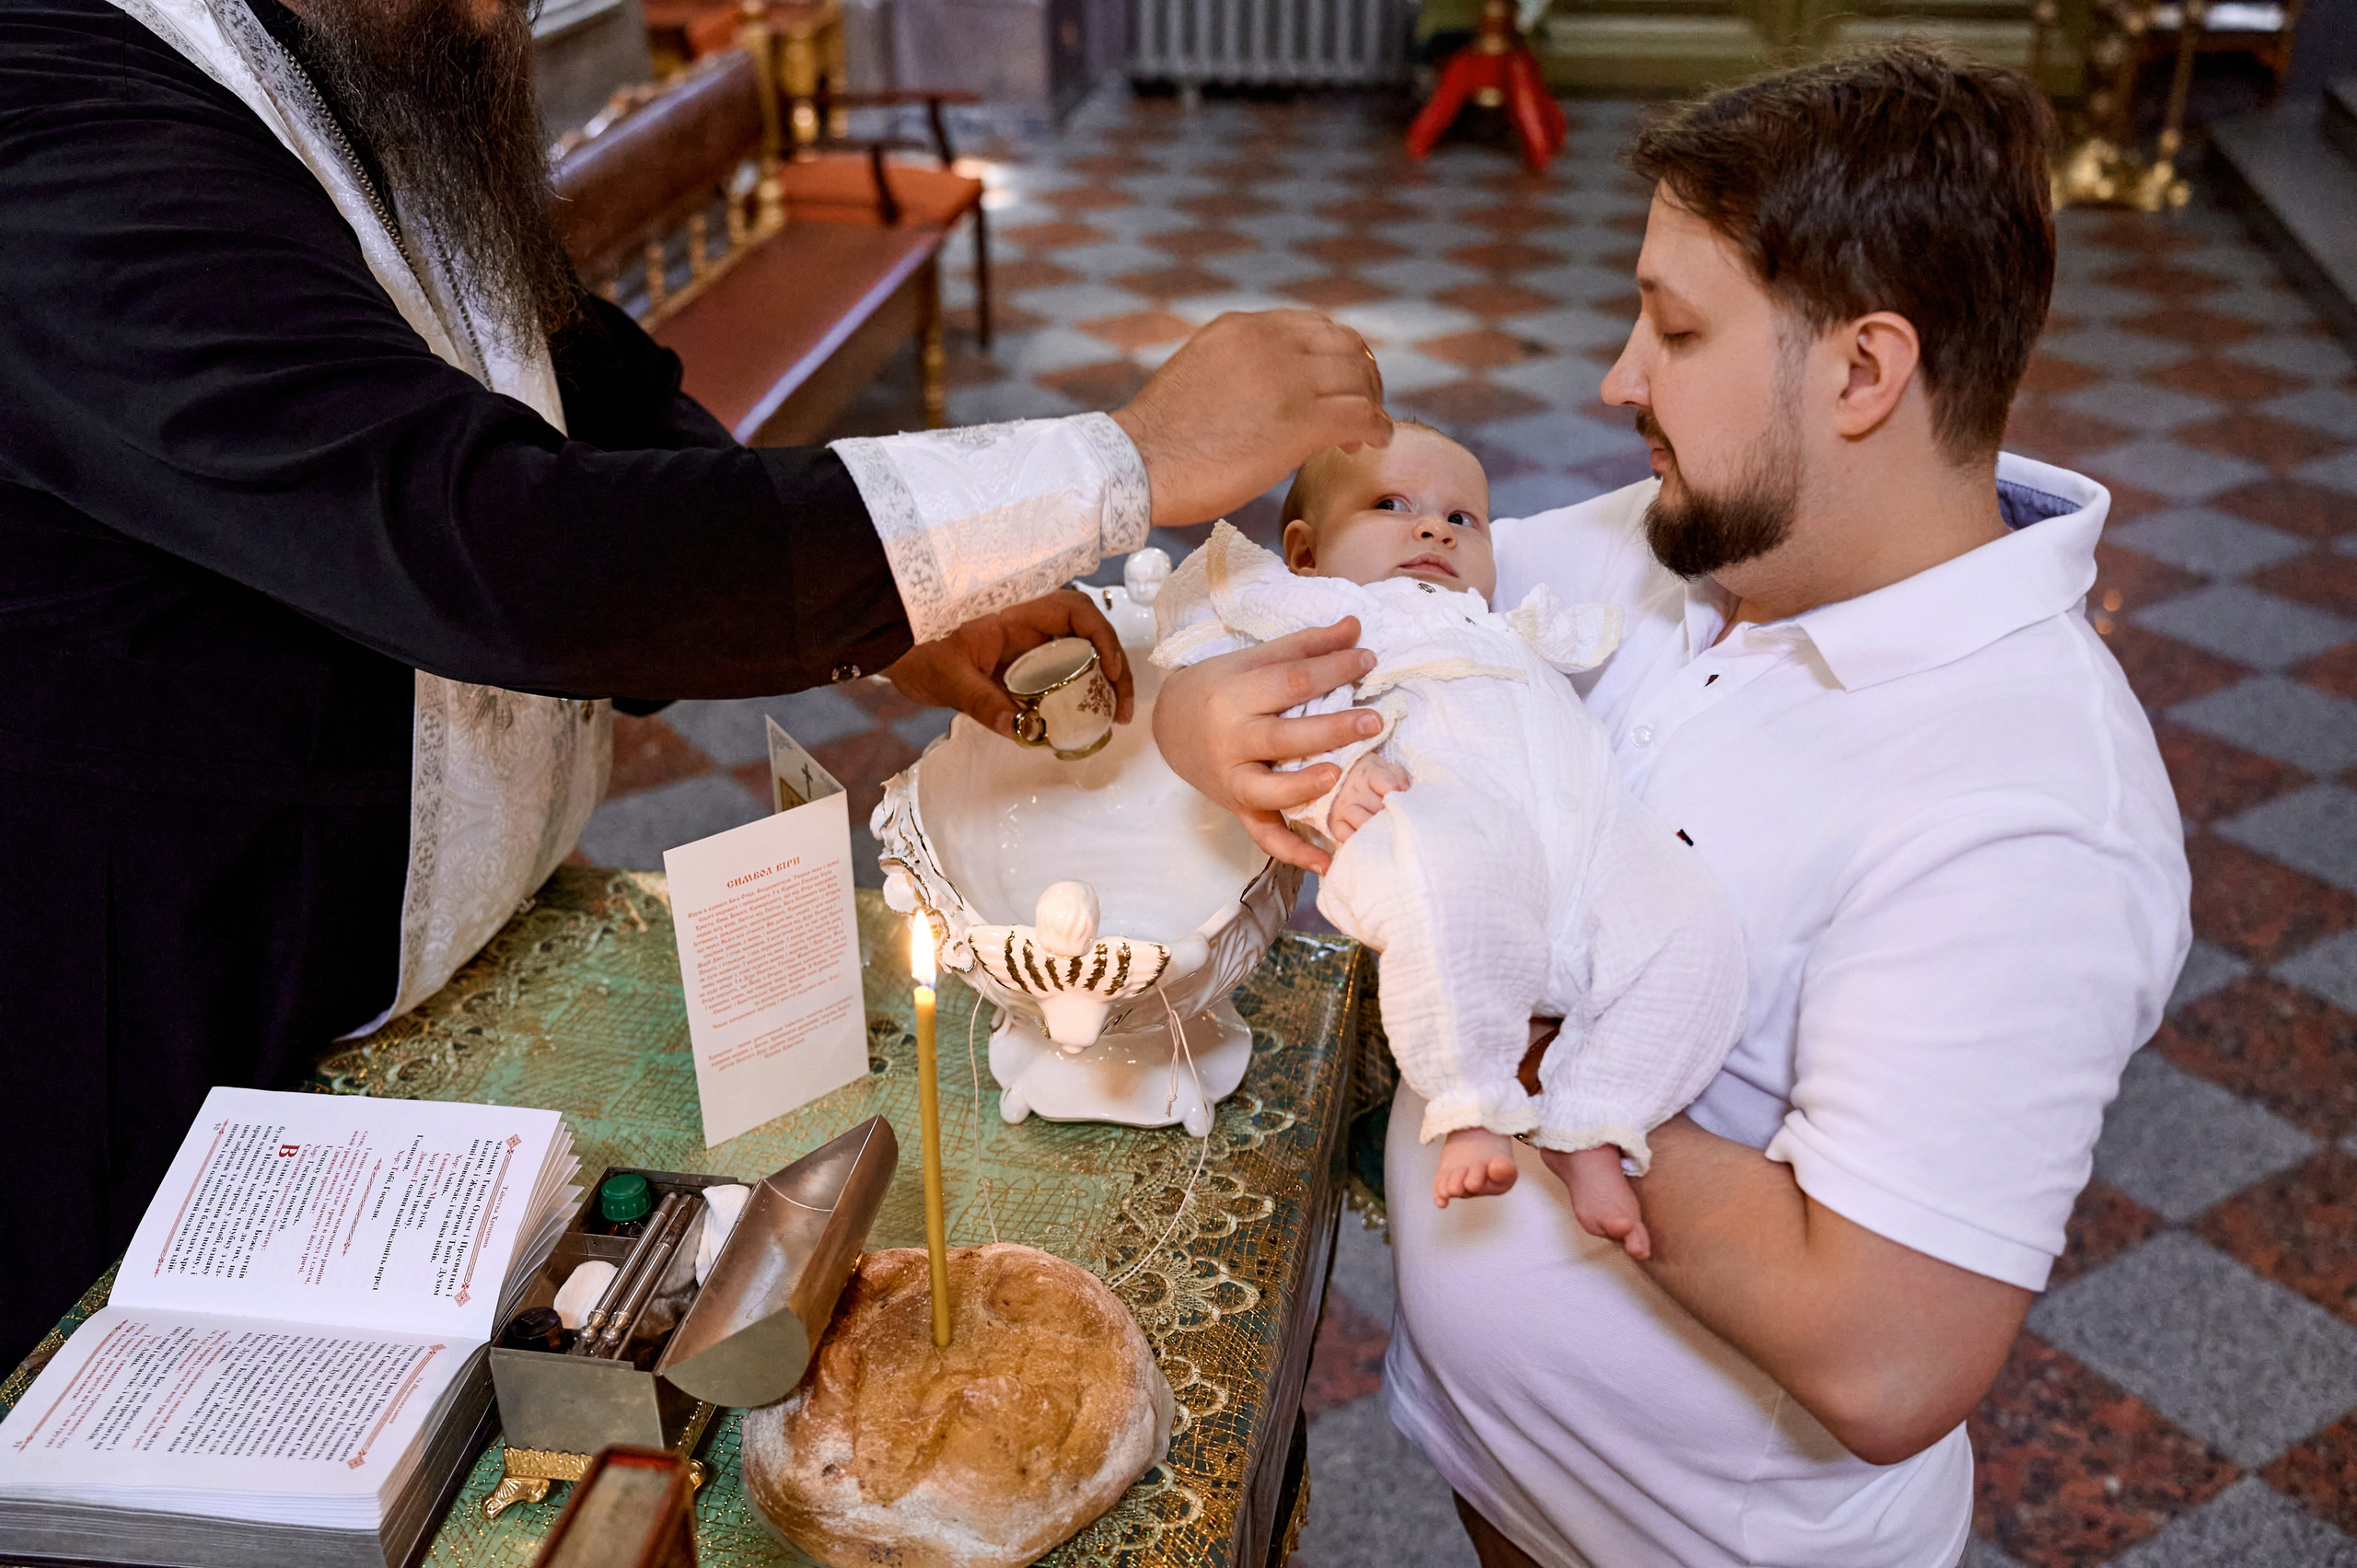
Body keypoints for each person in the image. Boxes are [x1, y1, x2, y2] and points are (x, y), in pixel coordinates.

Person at [0, 0, 1387, 1357]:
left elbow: (573, 379)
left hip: (469, 967)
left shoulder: (363, 39)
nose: (506, 20)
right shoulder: (55, 106)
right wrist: (1122, 460)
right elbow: (500, 542)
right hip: (169, 1032)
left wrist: (905, 601)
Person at [1154, 44, 2189, 1568]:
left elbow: (1885, 1352)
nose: (1617, 378)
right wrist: (1204, 718)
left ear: (1862, 371)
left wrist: (1500, 1009)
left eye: (1677, 328)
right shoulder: (1706, 542)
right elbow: (1369, 610)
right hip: (1515, 1465)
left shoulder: (2032, 811)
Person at [1150, 427, 1745, 1251]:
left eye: (1463, 517)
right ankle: (1470, 1100)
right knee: (1445, 881)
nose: (1434, 529)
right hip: (1440, 817)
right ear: (1307, 551)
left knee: (1694, 928)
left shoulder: (1502, 622)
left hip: (1593, 835)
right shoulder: (1322, 612)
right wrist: (1338, 769)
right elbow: (1259, 702)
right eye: (1392, 505)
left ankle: (1599, 1117)